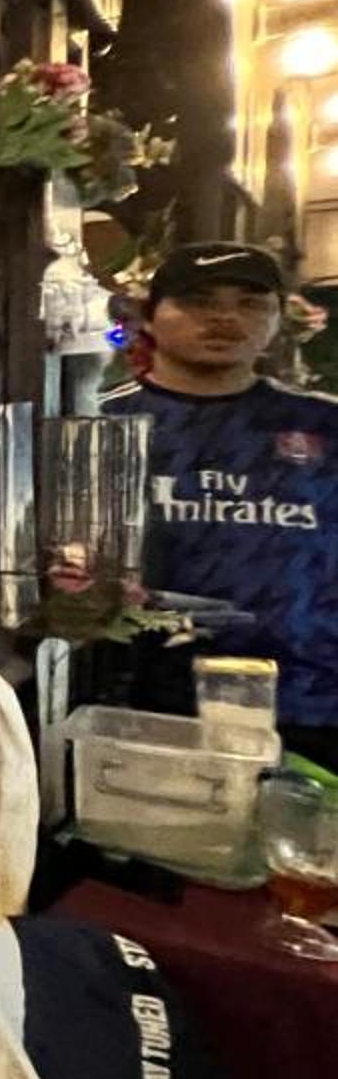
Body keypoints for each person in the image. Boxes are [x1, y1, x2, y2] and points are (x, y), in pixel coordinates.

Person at [103, 242, 338, 767]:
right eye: (199, 301)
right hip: (144, 702)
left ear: (278, 319)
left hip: (312, 701)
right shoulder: (100, 425)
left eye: (250, 303)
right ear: (149, 316)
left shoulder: (324, 425)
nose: (225, 317)